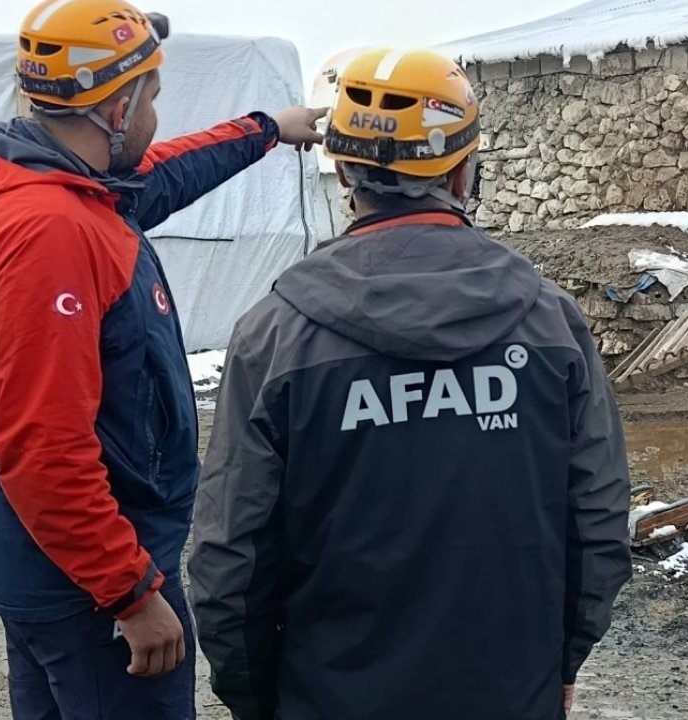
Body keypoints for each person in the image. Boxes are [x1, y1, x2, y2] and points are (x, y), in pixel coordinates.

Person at [188, 48, 632, 720]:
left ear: (343, 171)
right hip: (509, 692)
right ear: (461, 171)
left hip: (330, 697)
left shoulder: (276, 334)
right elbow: (597, 519)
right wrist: (560, 659)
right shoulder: (549, 320)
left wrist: (257, 695)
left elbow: (232, 554)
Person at [0, 1, 326, 717]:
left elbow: (161, 174)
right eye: (153, 97)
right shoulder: (52, 234)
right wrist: (127, 590)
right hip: (88, 588)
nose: (157, 114)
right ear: (117, 108)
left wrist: (266, 131)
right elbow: (40, 444)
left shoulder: (60, 186)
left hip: (50, 565)